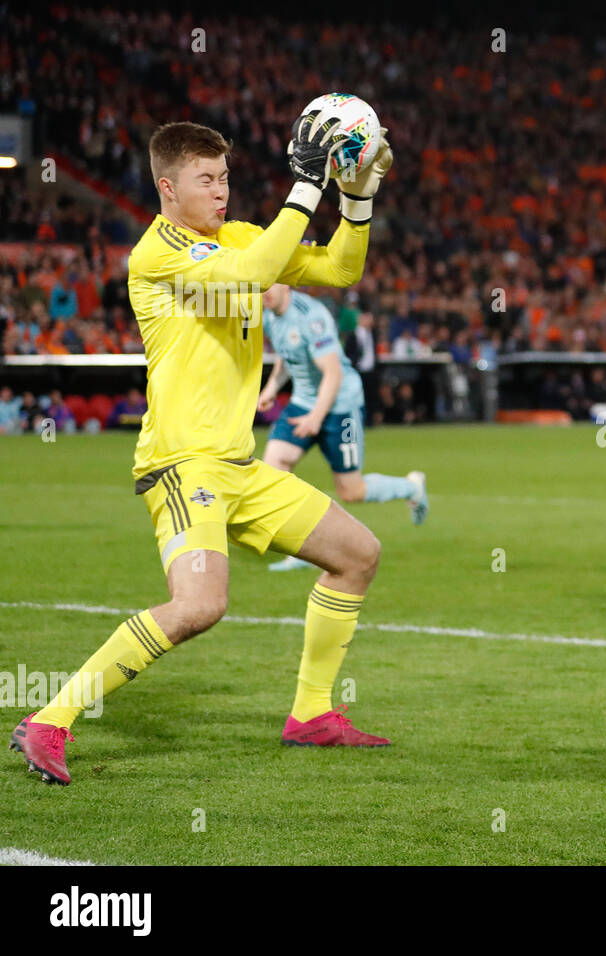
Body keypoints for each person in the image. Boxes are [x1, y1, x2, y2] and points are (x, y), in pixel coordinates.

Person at [10, 113, 395, 786]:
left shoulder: (241, 236)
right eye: (207, 179)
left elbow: (338, 268)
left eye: (226, 178)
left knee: (357, 554)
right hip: (182, 464)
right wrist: (307, 183)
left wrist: (356, 198)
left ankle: (310, 715)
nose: (222, 192)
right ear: (168, 187)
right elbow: (252, 268)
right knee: (199, 606)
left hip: (237, 465)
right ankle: (50, 720)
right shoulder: (157, 255)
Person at [258, 283, 428, 572]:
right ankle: (299, 548)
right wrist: (272, 388)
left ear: (286, 282)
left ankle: (411, 487)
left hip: (340, 406)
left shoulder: (311, 315)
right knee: (273, 468)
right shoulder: (268, 315)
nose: (263, 291)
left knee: (352, 491)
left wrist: (316, 417)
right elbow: (288, 356)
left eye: (269, 283)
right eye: (259, 284)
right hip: (303, 401)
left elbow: (333, 373)